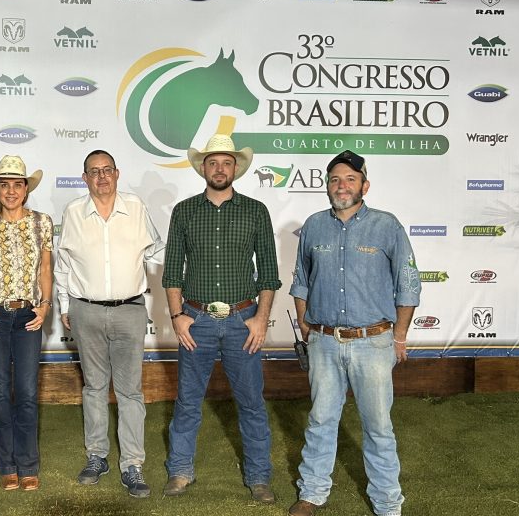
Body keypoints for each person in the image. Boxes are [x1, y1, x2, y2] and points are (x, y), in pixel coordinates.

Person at [288, 150, 421, 516]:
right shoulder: (314, 225)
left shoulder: (386, 225)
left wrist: (400, 337)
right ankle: (312, 492)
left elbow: (408, 283)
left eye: (349, 179)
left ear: (365, 184)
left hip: (374, 343)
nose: (341, 186)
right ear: (327, 185)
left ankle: (387, 503)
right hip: (325, 342)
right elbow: (301, 281)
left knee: (378, 426)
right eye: (334, 179)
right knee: (320, 420)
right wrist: (306, 326)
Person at [161, 133, 281, 503]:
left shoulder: (256, 210)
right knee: (187, 401)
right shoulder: (184, 211)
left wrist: (261, 319)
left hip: (242, 320)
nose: (219, 168)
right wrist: (177, 315)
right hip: (195, 319)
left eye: (226, 162)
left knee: (251, 401)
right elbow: (171, 272)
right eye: (212, 162)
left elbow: (270, 272)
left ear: (236, 168)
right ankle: (180, 471)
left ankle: (259, 477)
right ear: (202, 168)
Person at [54, 149, 164, 498]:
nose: (101, 177)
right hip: (85, 310)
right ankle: (97, 456)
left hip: (130, 310)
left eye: (106, 170)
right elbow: (63, 264)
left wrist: (192, 265)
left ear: (117, 173)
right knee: (94, 387)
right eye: (93, 172)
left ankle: (132, 464)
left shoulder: (136, 208)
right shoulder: (73, 212)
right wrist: (63, 304)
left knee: (130, 390)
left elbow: (157, 252)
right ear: (84, 178)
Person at [0, 155, 53, 492]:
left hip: (29, 314)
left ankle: (28, 464)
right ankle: (8, 465)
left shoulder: (42, 222)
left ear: (26, 188)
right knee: (0, 390)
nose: (11, 190)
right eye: (5, 184)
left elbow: (46, 269)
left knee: (27, 391)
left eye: (18, 184)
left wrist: (44, 307)